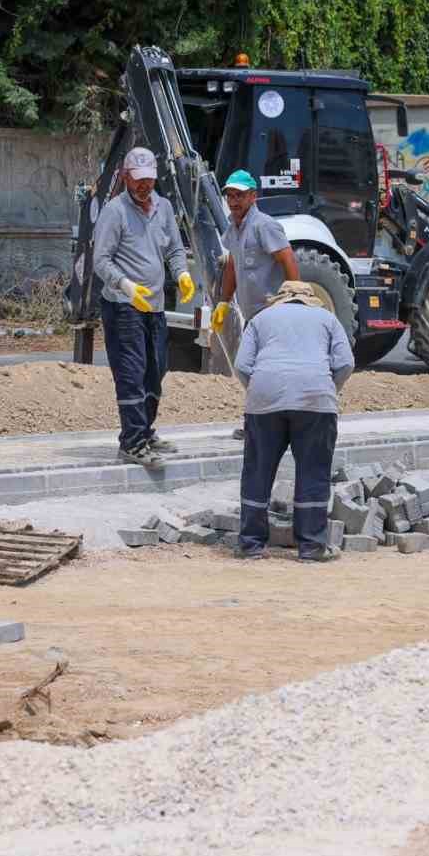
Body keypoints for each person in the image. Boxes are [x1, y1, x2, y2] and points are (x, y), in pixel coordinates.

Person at [234, 280, 355, 562]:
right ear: (310, 299)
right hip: (316, 400)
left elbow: (241, 365)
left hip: (264, 400)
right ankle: (312, 547)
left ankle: (250, 545)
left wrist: (260, 391)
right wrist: (328, 390)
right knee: (313, 472)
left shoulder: (260, 319)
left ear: (281, 299)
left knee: (257, 471)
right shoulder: (327, 319)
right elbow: (346, 363)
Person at [91, 146, 195, 467]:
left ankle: (146, 431)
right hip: (124, 306)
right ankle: (132, 442)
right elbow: (101, 260)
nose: (143, 186)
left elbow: (176, 249)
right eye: (137, 180)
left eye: (148, 180)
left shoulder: (163, 208)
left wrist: (182, 274)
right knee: (132, 373)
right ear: (125, 177)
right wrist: (125, 285)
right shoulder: (115, 212)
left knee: (155, 370)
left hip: (155, 306)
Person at [212, 169, 299, 440]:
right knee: (250, 369)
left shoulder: (264, 225)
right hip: (253, 315)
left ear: (253, 196)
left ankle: (270, 424)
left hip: (273, 311)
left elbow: (288, 260)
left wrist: (296, 298)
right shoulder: (233, 228)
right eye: (230, 196)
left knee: (257, 369)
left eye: (239, 195)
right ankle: (261, 424)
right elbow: (232, 266)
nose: (234, 201)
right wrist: (223, 302)